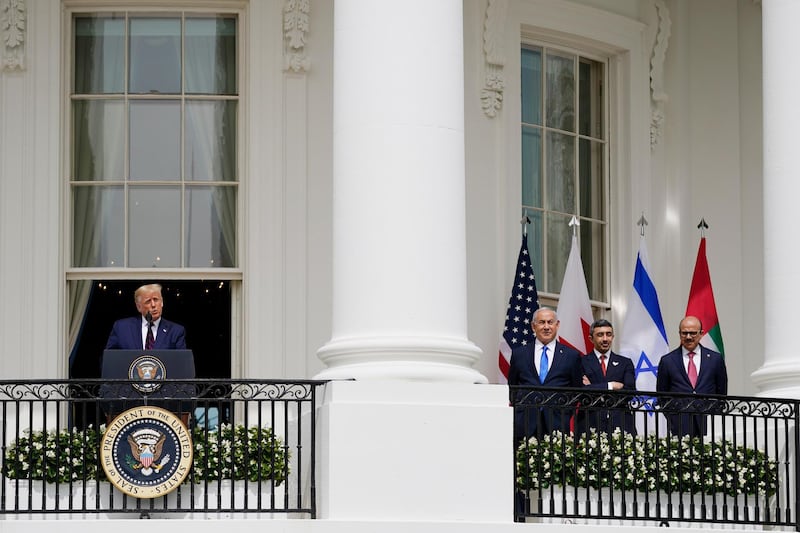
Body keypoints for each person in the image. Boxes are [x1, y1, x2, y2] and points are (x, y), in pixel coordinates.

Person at [508, 307, 584, 442]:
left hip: (558, 424)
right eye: (542, 322)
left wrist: (565, 413)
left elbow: (576, 390)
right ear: (533, 326)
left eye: (550, 322)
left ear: (557, 325)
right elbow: (512, 386)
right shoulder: (519, 354)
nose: (546, 327)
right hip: (525, 424)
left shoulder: (571, 355)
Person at [656, 315, 727, 437]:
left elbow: (722, 391)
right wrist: (673, 416)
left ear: (701, 333)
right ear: (679, 334)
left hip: (709, 423)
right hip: (680, 424)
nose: (688, 337)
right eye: (684, 333)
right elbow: (662, 394)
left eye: (693, 333)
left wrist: (714, 413)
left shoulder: (715, 359)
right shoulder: (667, 361)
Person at [575, 319, 636, 435]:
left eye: (608, 334)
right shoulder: (580, 362)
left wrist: (593, 387)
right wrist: (611, 386)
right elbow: (580, 391)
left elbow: (630, 391)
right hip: (590, 424)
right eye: (600, 335)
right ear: (591, 339)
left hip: (621, 423)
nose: (605, 339)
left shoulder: (625, 363)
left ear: (613, 337)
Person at [106, 283, 187, 350]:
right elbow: (109, 360)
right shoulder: (122, 328)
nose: (153, 305)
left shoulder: (176, 331)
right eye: (148, 301)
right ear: (139, 307)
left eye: (156, 299)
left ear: (162, 302)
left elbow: (181, 363)